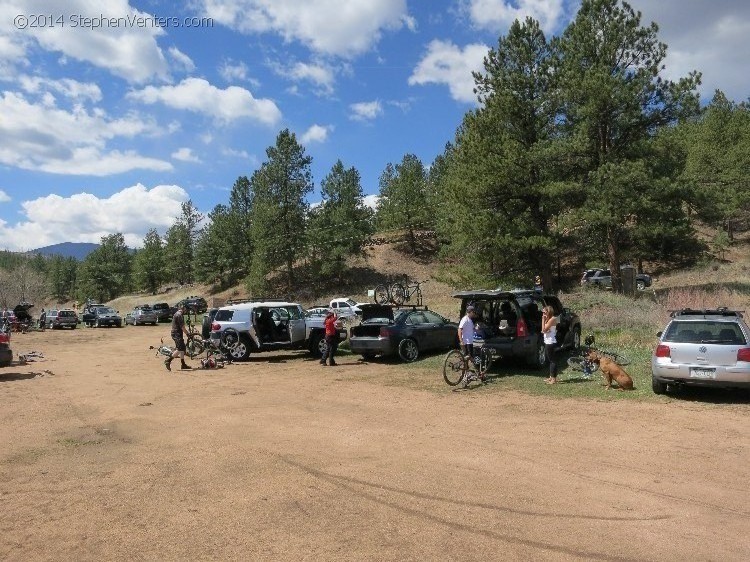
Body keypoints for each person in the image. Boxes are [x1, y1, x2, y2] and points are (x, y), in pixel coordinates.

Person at [165, 303, 191, 371]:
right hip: (176, 333)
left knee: (182, 348)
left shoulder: (178, 314)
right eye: (186, 309)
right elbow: (182, 327)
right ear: (183, 308)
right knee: (180, 348)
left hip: (177, 333)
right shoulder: (179, 315)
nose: (186, 311)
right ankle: (168, 360)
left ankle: (183, 364)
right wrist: (188, 334)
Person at [458, 305, 481, 378]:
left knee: (467, 357)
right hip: (466, 342)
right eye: (473, 312)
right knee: (469, 357)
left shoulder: (469, 320)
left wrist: (476, 328)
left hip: (469, 341)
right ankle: (476, 371)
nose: (474, 313)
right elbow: (459, 329)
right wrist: (461, 340)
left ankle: (467, 372)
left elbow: (470, 329)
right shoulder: (465, 319)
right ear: (470, 312)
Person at [541, 305, 559, 384]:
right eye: (543, 312)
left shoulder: (553, 319)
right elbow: (544, 330)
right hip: (547, 341)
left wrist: (543, 320)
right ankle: (551, 377)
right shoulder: (548, 319)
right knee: (550, 360)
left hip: (551, 342)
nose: (543, 313)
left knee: (553, 361)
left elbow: (543, 330)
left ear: (549, 312)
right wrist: (544, 320)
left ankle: (554, 379)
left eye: (545, 312)